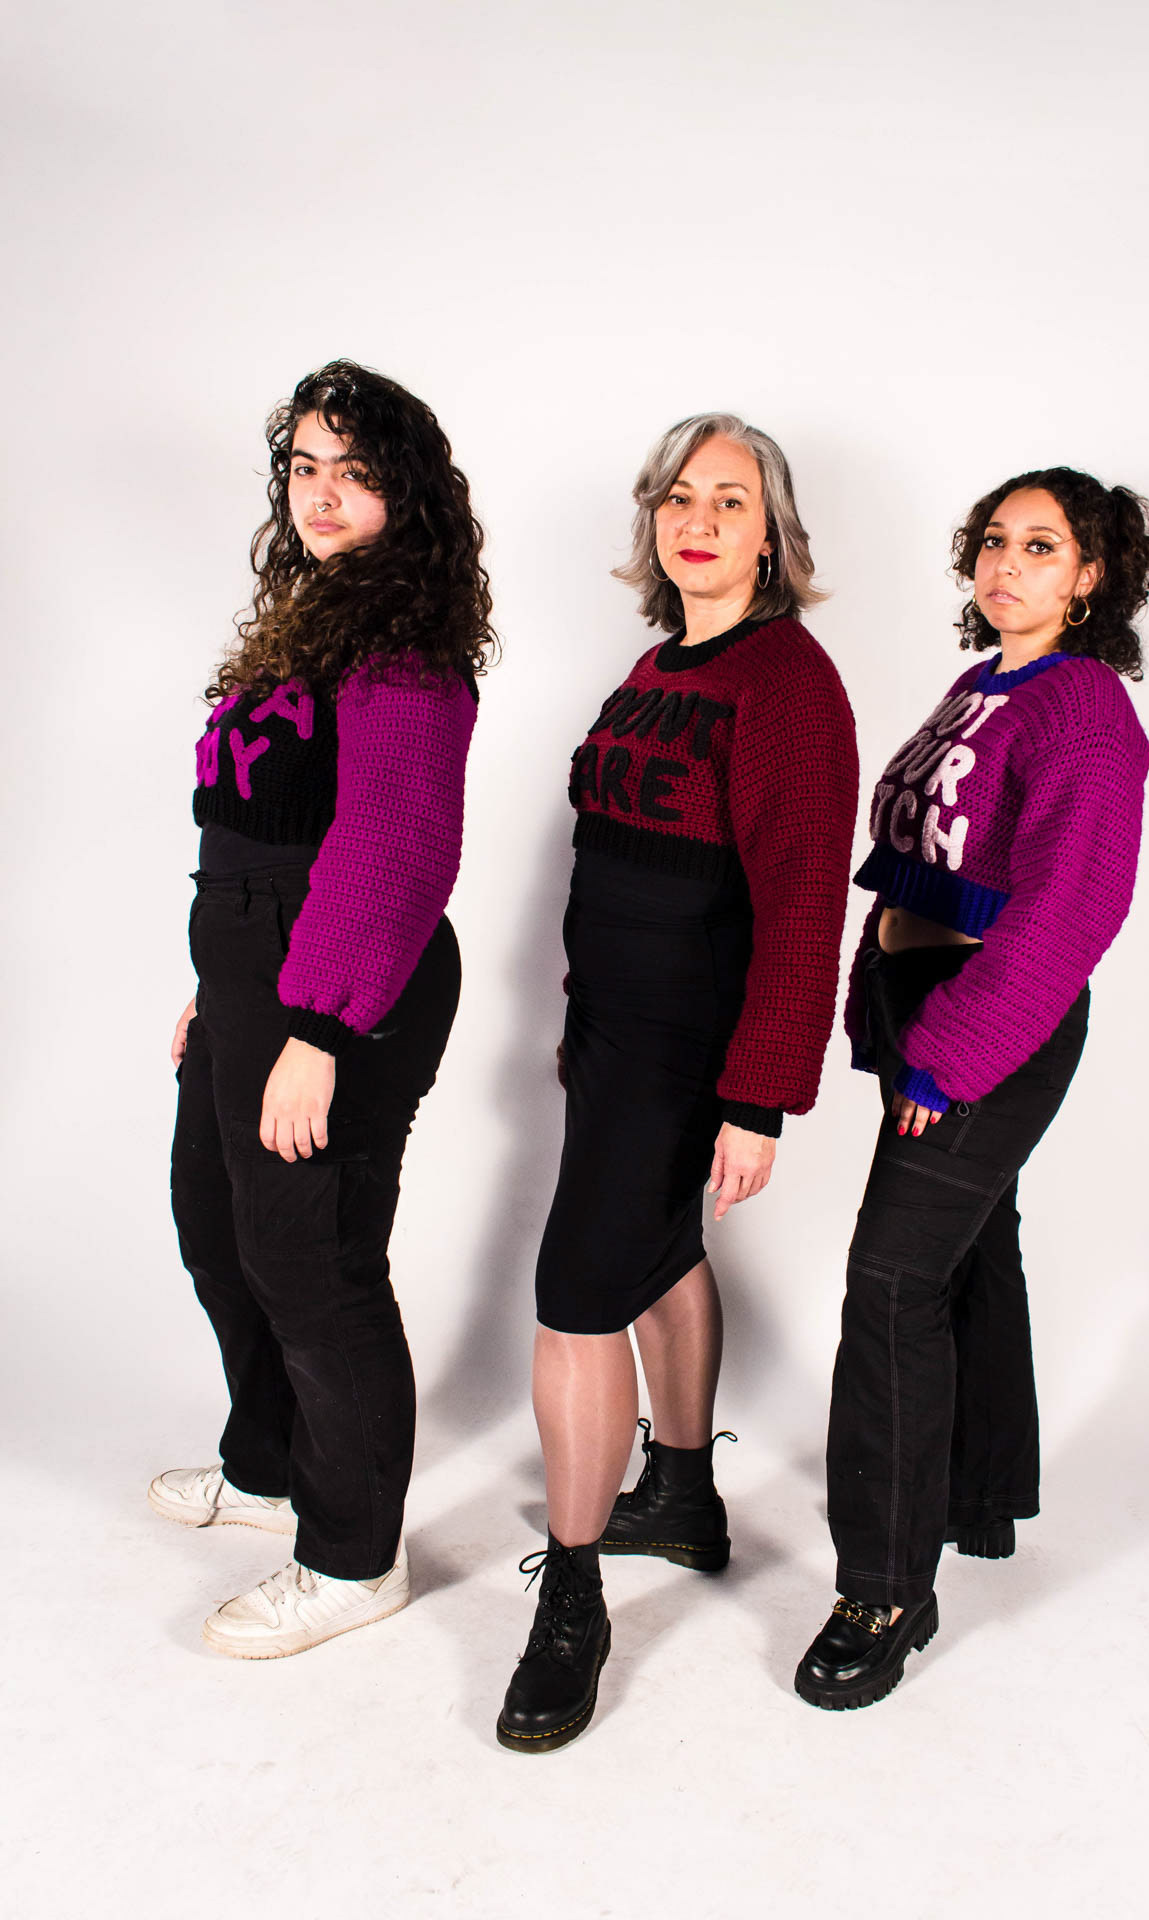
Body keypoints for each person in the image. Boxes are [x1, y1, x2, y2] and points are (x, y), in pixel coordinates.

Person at [497, 413, 859, 1753]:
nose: (698, 520)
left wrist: (757, 1097)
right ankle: (686, 1495)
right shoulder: (659, 666)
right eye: (677, 498)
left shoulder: (788, 683)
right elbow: (613, 862)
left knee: (573, 1299)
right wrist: (581, 1019)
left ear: (773, 535)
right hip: (614, 1037)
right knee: (653, 1255)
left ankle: (572, 1601)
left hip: (689, 1048)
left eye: (730, 500)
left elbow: (803, 904)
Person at [795, 467, 1149, 1711]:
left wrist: (952, 1052)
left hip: (992, 1020)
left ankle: (883, 1590)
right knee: (967, 1246)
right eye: (994, 541)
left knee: (889, 1278)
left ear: (1090, 575)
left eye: (1041, 547)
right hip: (924, 1004)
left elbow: (1068, 912)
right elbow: (915, 858)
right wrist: (880, 998)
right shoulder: (980, 686)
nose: (1006, 564)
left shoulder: (1084, 709)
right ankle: (980, 1495)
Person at [153, 360, 493, 1658]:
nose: (322, 492)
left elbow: (396, 850)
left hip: (347, 980)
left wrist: (321, 1031)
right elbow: (255, 827)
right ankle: (271, 1466)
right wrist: (217, 995)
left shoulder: (404, 644)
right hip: (255, 974)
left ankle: (354, 1557)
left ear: (405, 492)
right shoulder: (311, 619)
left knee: (314, 1260)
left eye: (353, 471)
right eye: (304, 467)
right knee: (215, 1221)